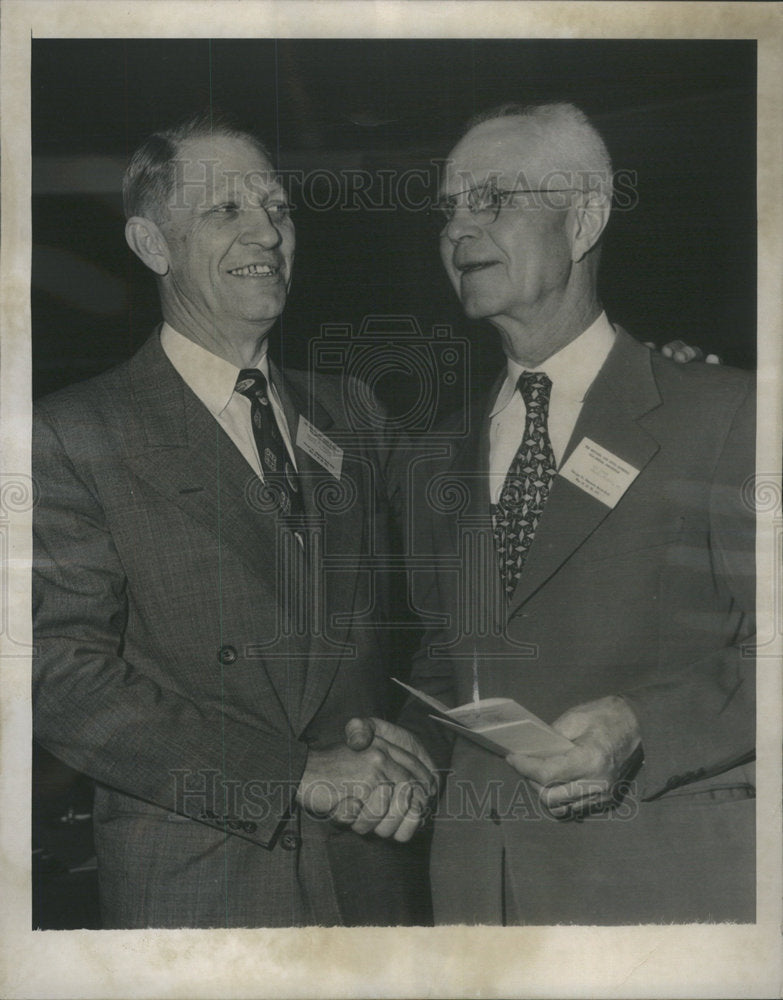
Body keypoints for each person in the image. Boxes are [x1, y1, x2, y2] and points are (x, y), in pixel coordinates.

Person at [32, 113, 437, 929]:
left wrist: (411, 747)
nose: (268, 232)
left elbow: (441, 594)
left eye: (279, 209)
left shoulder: (351, 411)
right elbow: (55, 680)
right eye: (226, 211)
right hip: (202, 888)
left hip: (372, 875)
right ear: (152, 245)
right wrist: (292, 774)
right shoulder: (71, 434)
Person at [396, 103, 755, 924]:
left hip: (664, 892)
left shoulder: (725, 415)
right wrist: (395, 746)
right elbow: (444, 660)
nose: (458, 231)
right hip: (478, 902)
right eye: (449, 209)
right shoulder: (434, 455)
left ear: (584, 218)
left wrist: (640, 725)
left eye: (492, 200)